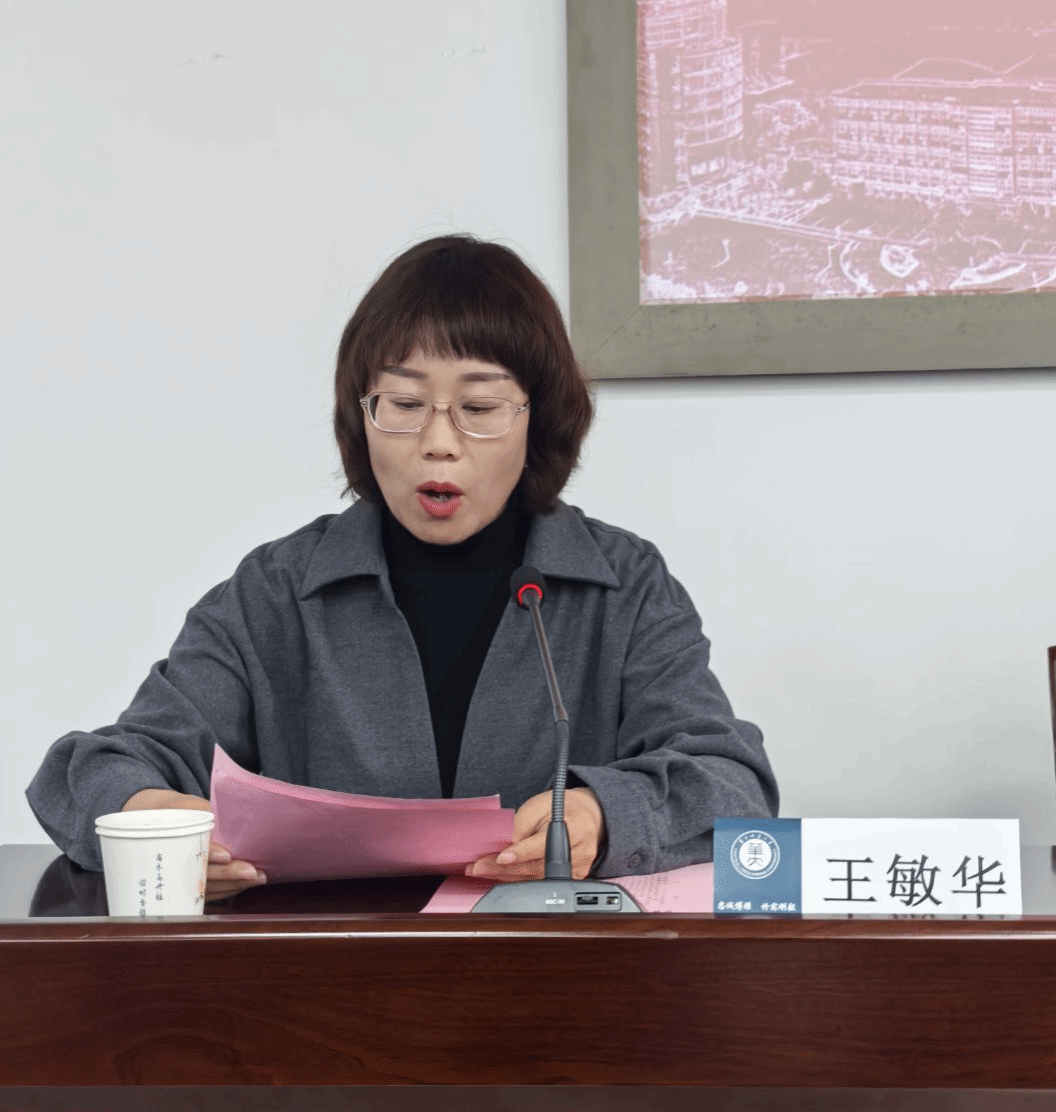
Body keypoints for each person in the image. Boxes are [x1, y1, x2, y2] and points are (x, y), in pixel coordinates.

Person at [26, 234, 778, 901]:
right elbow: (95, 768)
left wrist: (601, 816)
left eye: (479, 409)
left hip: (557, 984)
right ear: (362, 415)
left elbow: (732, 779)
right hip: (326, 985)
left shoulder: (624, 585)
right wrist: (152, 821)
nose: (438, 442)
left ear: (537, 419)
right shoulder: (276, 592)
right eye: (405, 403)